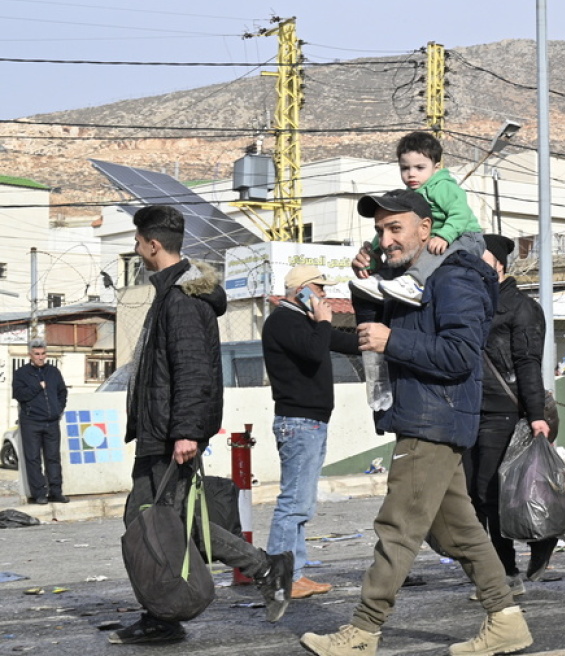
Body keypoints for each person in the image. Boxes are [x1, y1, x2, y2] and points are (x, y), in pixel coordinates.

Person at [300, 190, 532, 656]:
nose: (386, 239)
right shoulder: (408, 278)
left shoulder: (455, 279)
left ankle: (363, 631)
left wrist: (392, 341)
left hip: (434, 414)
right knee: (455, 531)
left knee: (398, 526)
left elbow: (461, 355)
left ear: (426, 230)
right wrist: (366, 284)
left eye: (396, 228)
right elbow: (372, 336)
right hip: (423, 413)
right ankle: (506, 619)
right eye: (381, 230)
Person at [111, 205, 293, 645]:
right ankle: (257, 572)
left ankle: (171, 612)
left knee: (155, 523)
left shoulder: (182, 300)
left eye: (138, 243)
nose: (136, 250)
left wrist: (187, 432)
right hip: (160, 433)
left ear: (153, 246)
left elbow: (193, 371)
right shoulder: (170, 294)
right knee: (164, 523)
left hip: (171, 435)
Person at [464, 234, 557, 599]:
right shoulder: (469, 303)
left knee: (493, 493)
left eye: (482, 259)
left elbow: (528, 364)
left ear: (500, 264)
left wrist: (537, 415)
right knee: (476, 494)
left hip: (505, 411)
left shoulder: (521, 308)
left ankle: (506, 572)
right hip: (470, 409)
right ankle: (537, 542)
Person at [262, 265, 360, 600]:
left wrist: (382, 339)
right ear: (301, 290)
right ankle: (280, 577)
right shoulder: (283, 321)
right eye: (319, 288)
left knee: (303, 503)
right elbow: (317, 349)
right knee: (293, 503)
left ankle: (295, 573)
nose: (325, 296)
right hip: (298, 422)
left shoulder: (304, 322)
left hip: (312, 422)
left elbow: (343, 342)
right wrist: (321, 320)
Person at [350, 131, 485, 307]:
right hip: (443, 234)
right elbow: (387, 226)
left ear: (436, 168)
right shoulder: (412, 195)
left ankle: (414, 283)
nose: (411, 174)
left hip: (465, 236)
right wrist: (375, 251)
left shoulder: (443, 186)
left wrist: (445, 235)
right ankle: (381, 281)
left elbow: (461, 213)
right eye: (405, 168)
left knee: (434, 250)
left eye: (419, 168)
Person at [12, 338, 68, 504]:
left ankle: (56, 492)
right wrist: (38, 386)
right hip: (31, 422)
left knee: (53, 458)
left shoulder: (54, 372)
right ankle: (39, 494)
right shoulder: (21, 373)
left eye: (43, 354)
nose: (41, 357)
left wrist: (58, 409)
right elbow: (19, 395)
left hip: (51, 422)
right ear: (30, 355)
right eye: (37, 354)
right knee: (33, 458)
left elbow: (62, 392)